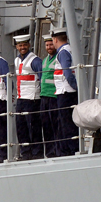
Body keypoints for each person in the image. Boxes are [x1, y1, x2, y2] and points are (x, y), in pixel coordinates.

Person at [13, 33, 43, 160]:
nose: (22, 47)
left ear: (29, 45)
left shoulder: (35, 61)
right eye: (20, 45)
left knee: (33, 127)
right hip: (21, 98)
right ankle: (25, 153)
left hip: (32, 99)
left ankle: (36, 153)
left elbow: (42, 78)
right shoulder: (17, 60)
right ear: (17, 47)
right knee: (21, 127)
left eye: (24, 45)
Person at [51, 27, 79, 156]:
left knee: (66, 122)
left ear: (55, 39)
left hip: (66, 92)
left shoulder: (63, 52)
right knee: (68, 122)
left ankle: (69, 150)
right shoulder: (70, 49)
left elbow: (67, 72)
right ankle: (69, 148)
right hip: (68, 92)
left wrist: (74, 88)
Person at [39, 35, 59, 158]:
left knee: (55, 125)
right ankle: (49, 152)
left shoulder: (58, 59)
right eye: (47, 45)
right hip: (44, 96)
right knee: (46, 126)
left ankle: (57, 151)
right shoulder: (45, 60)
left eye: (51, 44)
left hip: (54, 96)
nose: (49, 47)